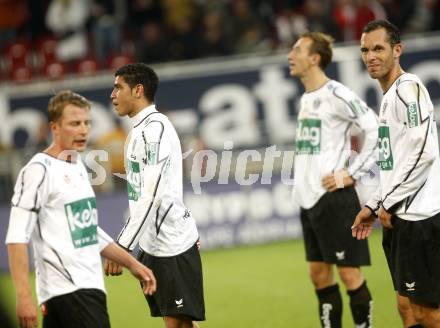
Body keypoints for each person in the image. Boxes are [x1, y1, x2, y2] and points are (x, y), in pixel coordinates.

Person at [5, 90, 156, 328]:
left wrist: (132, 264)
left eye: (87, 123)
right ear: (54, 127)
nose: (83, 129)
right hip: (68, 291)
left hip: (86, 289)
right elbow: (16, 236)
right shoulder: (39, 170)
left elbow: (87, 231)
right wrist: (23, 295)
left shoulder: (77, 167)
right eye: (75, 123)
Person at [352, 19, 440, 327]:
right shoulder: (389, 98)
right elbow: (392, 164)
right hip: (400, 218)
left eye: (378, 48)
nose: (370, 56)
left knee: (427, 312)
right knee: (406, 307)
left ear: (397, 50)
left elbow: (423, 152)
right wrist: (373, 205)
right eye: (365, 50)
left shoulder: (408, 89)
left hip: (419, 217)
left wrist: (387, 203)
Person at [288, 32, 378, 327]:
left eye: (297, 50)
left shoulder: (337, 94)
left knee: (349, 274)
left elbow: (376, 129)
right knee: (318, 274)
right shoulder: (306, 98)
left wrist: (352, 174)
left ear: (314, 58)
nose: (290, 55)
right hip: (310, 200)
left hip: (335, 200)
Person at [106, 63, 205, 328]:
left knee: (177, 323)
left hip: (172, 242)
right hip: (153, 243)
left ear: (138, 90)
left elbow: (152, 196)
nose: (112, 94)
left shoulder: (155, 130)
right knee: (177, 322)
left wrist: (122, 246)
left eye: (118, 87)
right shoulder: (138, 130)